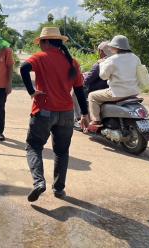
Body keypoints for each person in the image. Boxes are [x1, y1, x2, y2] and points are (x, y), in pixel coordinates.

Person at [20, 27, 89, 202]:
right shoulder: (72, 62)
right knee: (62, 151)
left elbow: (23, 68)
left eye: (41, 42)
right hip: (66, 113)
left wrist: (31, 91)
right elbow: (79, 89)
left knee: (34, 146)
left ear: (46, 42)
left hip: (44, 111)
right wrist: (84, 114)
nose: (40, 46)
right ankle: (58, 189)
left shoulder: (40, 58)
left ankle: (38, 183)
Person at [87, 35, 141, 131]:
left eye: (112, 46)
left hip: (117, 93)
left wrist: (102, 63)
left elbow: (103, 76)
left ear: (116, 47)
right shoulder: (135, 57)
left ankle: (95, 121)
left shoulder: (112, 59)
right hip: (134, 91)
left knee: (92, 96)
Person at [73, 41, 112, 127]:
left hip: (101, 89)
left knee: (76, 93)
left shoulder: (100, 63)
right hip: (116, 88)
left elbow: (87, 80)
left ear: (102, 51)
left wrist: (83, 78)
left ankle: (81, 118)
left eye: (99, 51)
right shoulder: (117, 60)